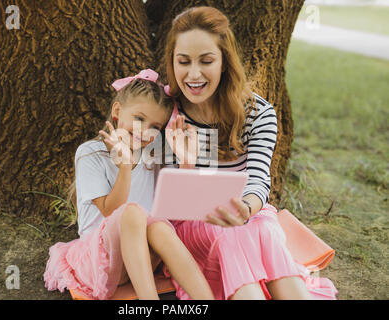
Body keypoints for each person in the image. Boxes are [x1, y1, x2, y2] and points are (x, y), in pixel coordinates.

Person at [161, 6, 338, 300]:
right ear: (173, 62)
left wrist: (245, 208)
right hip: (191, 225)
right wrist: (186, 165)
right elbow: (167, 200)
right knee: (232, 234)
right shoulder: (167, 111)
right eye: (183, 62)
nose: (193, 74)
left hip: (249, 215)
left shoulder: (259, 114)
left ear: (224, 62)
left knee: (263, 229)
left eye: (206, 61)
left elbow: (258, 180)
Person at [43, 69, 214, 300]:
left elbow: (177, 207)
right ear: (117, 111)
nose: (146, 131)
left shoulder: (153, 154)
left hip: (141, 260)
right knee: (132, 213)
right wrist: (125, 166)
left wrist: (186, 162)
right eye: (139, 118)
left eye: (155, 126)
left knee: (160, 226)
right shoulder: (91, 153)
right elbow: (110, 211)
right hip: (100, 262)